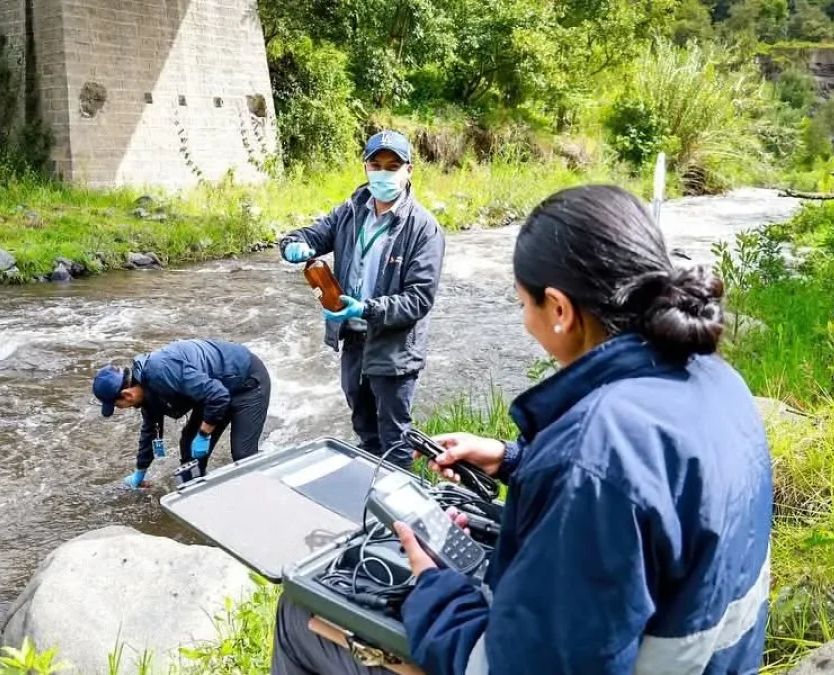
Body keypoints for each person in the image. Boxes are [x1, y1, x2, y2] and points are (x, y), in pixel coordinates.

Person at [271, 185, 774, 675]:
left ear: (558, 309)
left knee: (298, 618)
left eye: (521, 304)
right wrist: (517, 462)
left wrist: (433, 587)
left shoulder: (591, 457)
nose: (523, 319)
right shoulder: (715, 379)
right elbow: (648, 494)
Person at [279, 130, 445, 469]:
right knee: (363, 426)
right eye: (376, 164)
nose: (383, 172)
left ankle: (399, 512)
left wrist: (366, 309)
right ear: (366, 168)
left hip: (394, 348)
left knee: (395, 437)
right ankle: (371, 501)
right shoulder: (351, 211)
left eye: (392, 165)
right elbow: (311, 234)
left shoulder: (424, 228)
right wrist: (292, 244)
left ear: (408, 170)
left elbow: (418, 300)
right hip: (352, 338)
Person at [92, 338, 271, 488]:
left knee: (242, 455)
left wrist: (204, 434)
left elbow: (218, 396)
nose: (122, 409)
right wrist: (140, 472)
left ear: (127, 395)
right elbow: (150, 432)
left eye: (118, 405)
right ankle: (195, 493)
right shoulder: (144, 392)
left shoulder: (161, 370)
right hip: (214, 389)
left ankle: (264, 492)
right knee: (188, 442)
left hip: (246, 381)